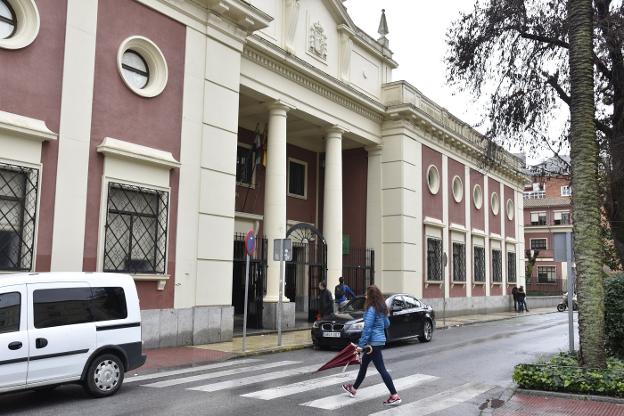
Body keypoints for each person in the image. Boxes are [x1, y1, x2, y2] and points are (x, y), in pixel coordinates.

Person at [342, 285, 401, 406]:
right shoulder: (381, 308)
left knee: (382, 370)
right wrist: (379, 322)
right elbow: (387, 324)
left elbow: (367, 328)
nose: (365, 296)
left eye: (367, 294)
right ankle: (353, 389)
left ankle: (394, 395)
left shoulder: (371, 309)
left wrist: (360, 345)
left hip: (372, 344)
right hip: (377, 342)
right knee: (363, 366)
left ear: (371, 297)